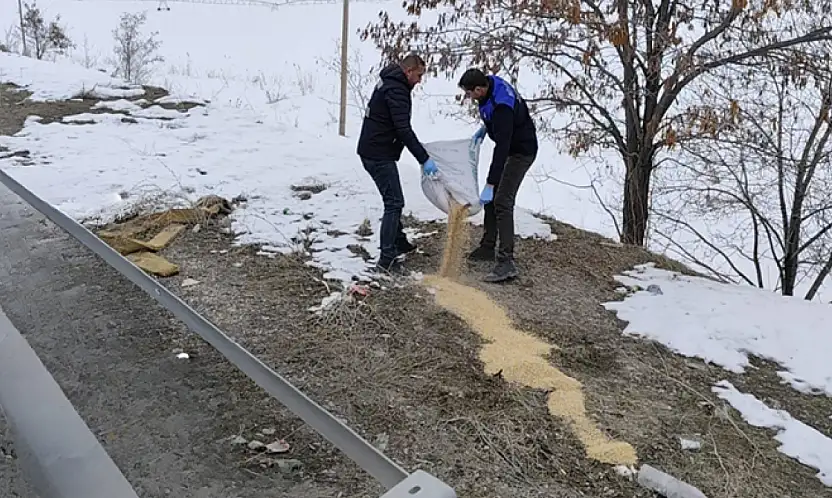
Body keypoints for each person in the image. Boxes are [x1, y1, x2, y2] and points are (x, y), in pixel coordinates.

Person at [357, 54, 437, 274]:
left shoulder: (392, 81)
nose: (420, 80)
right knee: (394, 202)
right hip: (377, 153)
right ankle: (387, 259)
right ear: (408, 71)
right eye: (419, 75)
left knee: (392, 198)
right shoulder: (397, 91)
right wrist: (424, 159)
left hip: (374, 148)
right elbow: (403, 130)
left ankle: (399, 241)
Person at [458, 68, 538, 283]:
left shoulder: (502, 106)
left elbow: (502, 148)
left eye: (470, 93)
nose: (469, 97)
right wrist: (486, 127)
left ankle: (506, 262)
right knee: (493, 201)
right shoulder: (490, 84)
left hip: (521, 151)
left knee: (502, 200)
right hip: (510, 145)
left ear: (479, 89)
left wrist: (491, 182)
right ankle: (487, 247)